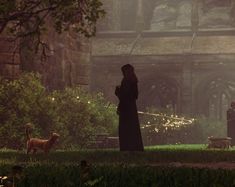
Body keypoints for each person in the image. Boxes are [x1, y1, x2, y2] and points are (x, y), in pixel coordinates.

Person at [115, 64, 144, 151]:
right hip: (131, 107)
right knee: (132, 127)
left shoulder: (126, 80)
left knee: (126, 127)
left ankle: (127, 147)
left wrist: (118, 92)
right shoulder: (134, 81)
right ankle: (134, 147)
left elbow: (125, 96)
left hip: (126, 107)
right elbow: (135, 95)